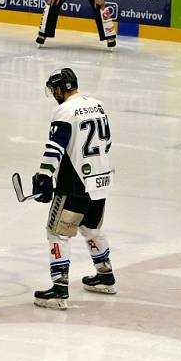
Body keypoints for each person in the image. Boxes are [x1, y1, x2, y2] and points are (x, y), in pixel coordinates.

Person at [30, 68, 116, 310]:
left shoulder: (64, 110)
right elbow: (107, 142)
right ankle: (105, 275)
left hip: (75, 183)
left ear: (60, 88)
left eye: (54, 89)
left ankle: (59, 290)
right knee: (91, 227)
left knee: (57, 232)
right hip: (100, 179)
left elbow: (55, 146)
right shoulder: (98, 105)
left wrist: (45, 176)